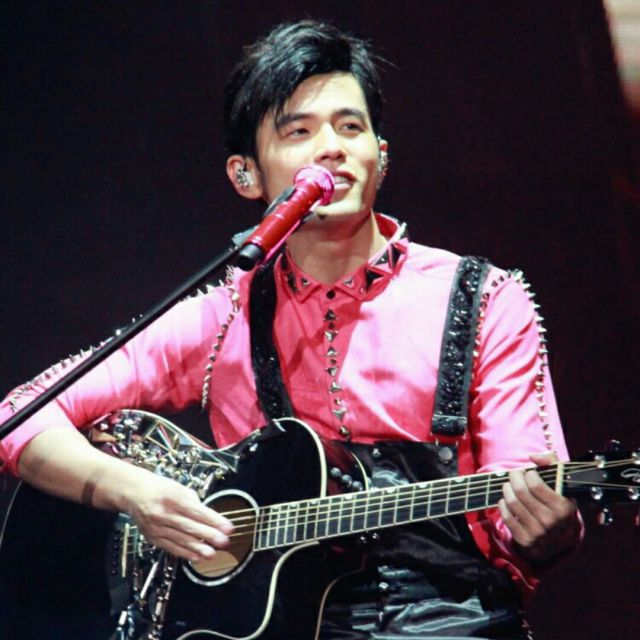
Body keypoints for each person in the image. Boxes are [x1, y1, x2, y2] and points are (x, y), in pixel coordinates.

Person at [0, 19, 581, 639]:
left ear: (381, 156)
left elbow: (525, 508)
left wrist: (548, 530)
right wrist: (138, 495)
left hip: (452, 620)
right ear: (246, 175)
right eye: (298, 131)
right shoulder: (221, 317)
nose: (331, 148)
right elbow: (19, 418)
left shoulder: (485, 298)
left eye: (350, 127)